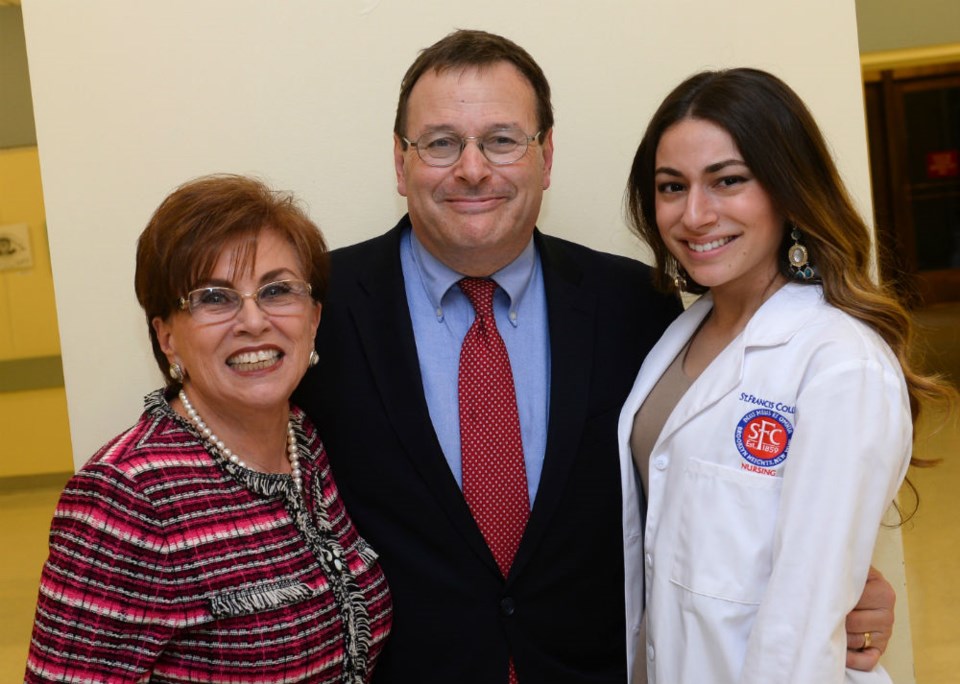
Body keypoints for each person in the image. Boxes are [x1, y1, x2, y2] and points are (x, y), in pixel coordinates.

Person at [293, 31, 897, 683]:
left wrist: (838, 583)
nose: (472, 168)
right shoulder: (313, 309)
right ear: (400, 160)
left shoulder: (636, 306)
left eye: (502, 140)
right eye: (441, 142)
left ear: (546, 157)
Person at [619, 68, 954, 683]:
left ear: (787, 188)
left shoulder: (839, 361)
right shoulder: (680, 335)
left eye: (728, 181)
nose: (695, 214)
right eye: (672, 186)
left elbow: (803, 620)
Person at [25, 175, 392, 683]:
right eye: (214, 298)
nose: (253, 320)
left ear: (313, 319)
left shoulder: (304, 440)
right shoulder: (125, 498)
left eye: (277, 290)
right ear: (167, 337)